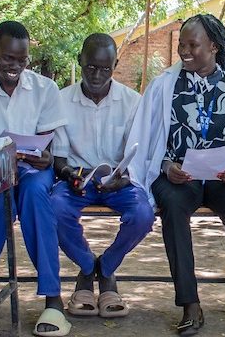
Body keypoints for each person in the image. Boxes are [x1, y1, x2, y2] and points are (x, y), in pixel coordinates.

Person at [126, 14, 225, 337]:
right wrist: (168, 168)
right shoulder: (166, 86)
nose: (184, 51)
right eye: (182, 44)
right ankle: (190, 304)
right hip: (182, 177)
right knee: (173, 206)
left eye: (192, 45)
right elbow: (153, 144)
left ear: (213, 46)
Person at [0, 20, 67, 336]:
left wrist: (41, 156)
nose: (15, 66)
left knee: (34, 194)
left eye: (22, 60)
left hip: (34, 171)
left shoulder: (45, 89)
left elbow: (48, 150)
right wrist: (3, 160)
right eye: (8, 58)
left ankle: (53, 298)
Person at [50, 33, 151, 319]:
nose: (97, 75)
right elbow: (58, 158)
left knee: (143, 214)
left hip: (118, 181)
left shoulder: (132, 102)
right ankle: (86, 267)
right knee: (54, 208)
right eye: (90, 67)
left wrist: (125, 177)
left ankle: (106, 268)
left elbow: (138, 153)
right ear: (80, 61)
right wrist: (70, 174)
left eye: (105, 68)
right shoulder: (60, 101)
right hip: (77, 180)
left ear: (115, 65)